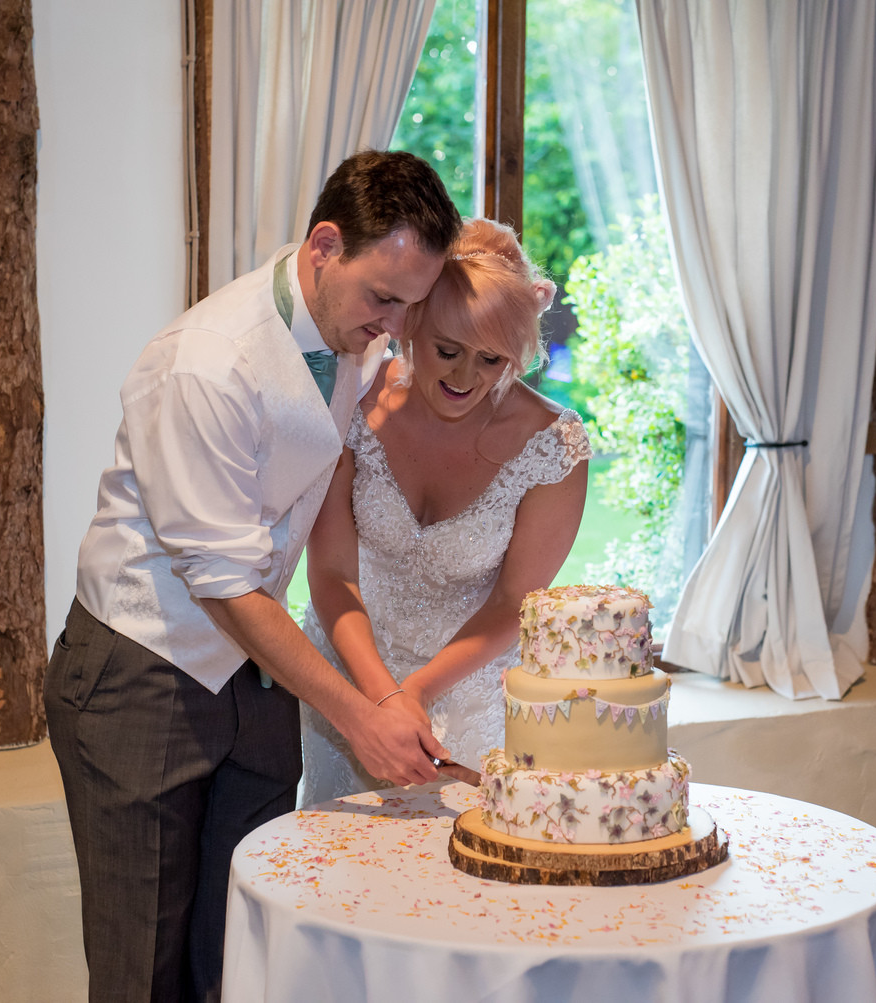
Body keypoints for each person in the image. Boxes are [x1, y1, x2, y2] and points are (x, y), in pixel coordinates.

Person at [44, 150, 462, 1002]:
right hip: (141, 667)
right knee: (143, 971)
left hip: (254, 675)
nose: (392, 328)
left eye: (410, 306)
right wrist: (359, 711)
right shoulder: (205, 362)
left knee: (244, 952)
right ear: (323, 246)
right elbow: (223, 582)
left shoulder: (354, 332)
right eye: (384, 298)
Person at [299, 218, 591, 804]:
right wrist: (382, 699)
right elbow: (331, 574)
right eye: (447, 351)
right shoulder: (355, 396)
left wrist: (419, 691)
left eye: (491, 360)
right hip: (351, 678)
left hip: (470, 694)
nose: (466, 377)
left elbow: (515, 602)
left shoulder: (554, 446)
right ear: (411, 324)